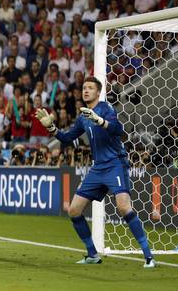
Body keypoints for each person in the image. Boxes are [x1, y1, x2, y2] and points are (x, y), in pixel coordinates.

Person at [35, 77, 155, 268]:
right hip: (97, 167)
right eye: (84, 88)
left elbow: (118, 129)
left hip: (115, 163)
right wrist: (51, 127)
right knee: (74, 210)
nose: (86, 90)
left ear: (98, 92)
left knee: (124, 207)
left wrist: (100, 121)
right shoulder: (83, 117)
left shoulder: (106, 108)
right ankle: (92, 254)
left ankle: (149, 256)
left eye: (90, 88)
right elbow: (67, 137)